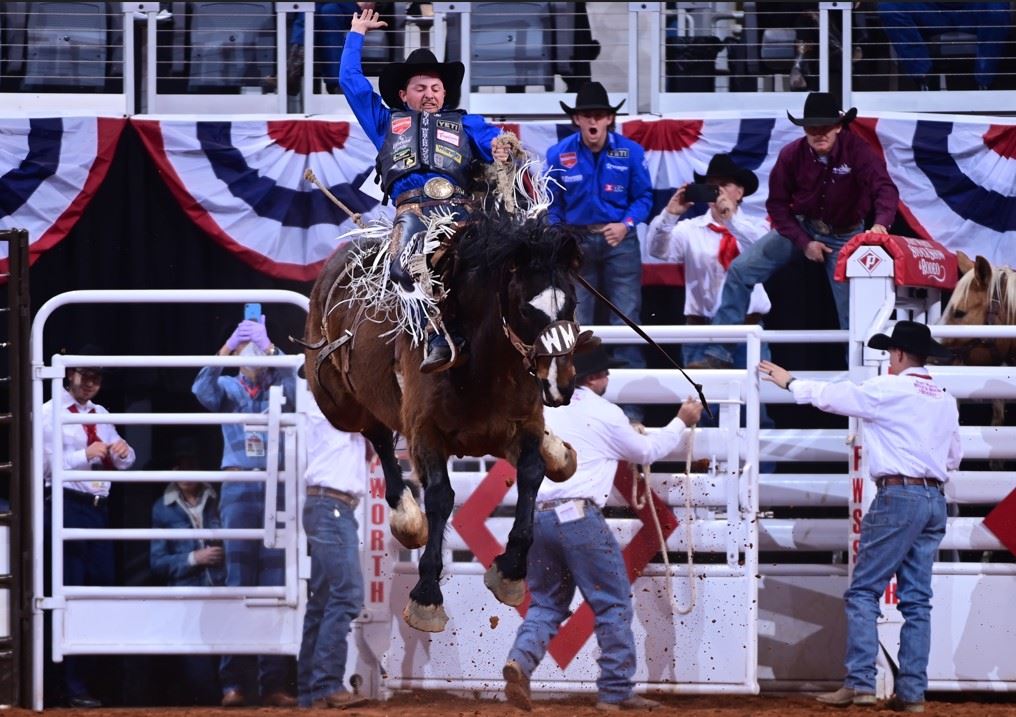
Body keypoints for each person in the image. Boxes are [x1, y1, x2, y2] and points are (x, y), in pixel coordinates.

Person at [758, 320, 961, 713]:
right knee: (917, 600)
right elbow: (953, 457)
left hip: (898, 495)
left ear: (899, 355)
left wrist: (790, 381)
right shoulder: (943, 397)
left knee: (865, 590)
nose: (888, 361)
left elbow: (835, 397)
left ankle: (861, 683)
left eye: (889, 354)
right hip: (933, 498)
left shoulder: (890, 388)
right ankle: (912, 693)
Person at [502, 341, 703, 712]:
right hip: (577, 516)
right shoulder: (605, 413)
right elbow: (645, 453)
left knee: (546, 603)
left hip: (535, 517)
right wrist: (682, 421)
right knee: (611, 603)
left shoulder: (542, 406)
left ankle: (520, 660)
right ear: (597, 378)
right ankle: (615, 690)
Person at [339, 7, 515, 373]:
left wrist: (502, 146)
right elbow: (352, 83)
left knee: (502, 265)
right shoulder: (385, 122)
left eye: (436, 88)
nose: (430, 94)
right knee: (401, 268)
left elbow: (494, 141)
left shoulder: (466, 123)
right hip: (413, 213)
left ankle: (511, 335)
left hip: (461, 213)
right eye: (421, 88)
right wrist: (356, 35)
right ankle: (434, 336)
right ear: (404, 94)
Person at [703, 92, 899, 368]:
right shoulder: (791, 155)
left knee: (852, 310)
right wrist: (804, 242)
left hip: (846, 233)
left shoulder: (859, 151)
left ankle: (861, 373)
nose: (819, 133)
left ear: (839, 126)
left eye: (825, 126)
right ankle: (719, 353)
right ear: (804, 129)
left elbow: (884, 188)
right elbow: (778, 205)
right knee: (740, 270)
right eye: (812, 127)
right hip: (802, 224)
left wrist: (881, 225)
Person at [192, 316, 297, 708]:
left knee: (273, 584)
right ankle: (232, 683)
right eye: (247, 349)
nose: (252, 355)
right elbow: (200, 388)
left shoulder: (277, 386)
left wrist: (272, 351)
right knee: (237, 582)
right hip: (238, 487)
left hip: (276, 488)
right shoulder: (228, 387)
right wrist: (224, 350)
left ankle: (273, 683)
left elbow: (297, 387)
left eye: (258, 349)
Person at [41, 349, 136, 708]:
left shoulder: (102, 414)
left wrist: (123, 453)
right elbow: (45, 468)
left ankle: (91, 682)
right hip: (67, 505)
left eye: (97, 377)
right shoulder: (50, 413)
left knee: (100, 592)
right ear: (69, 375)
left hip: (98, 508)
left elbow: (124, 462)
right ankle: (69, 685)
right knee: (70, 592)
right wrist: (87, 454)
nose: (92, 383)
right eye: (85, 376)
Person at [547, 82, 653, 380]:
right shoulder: (558, 154)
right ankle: (580, 396)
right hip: (576, 241)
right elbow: (552, 204)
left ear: (609, 119)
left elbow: (644, 197)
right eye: (586, 115)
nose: (593, 121)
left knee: (626, 315)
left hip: (619, 238)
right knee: (578, 320)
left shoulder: (630, 152)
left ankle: (631, 404)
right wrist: (560, 236)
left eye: (599, 115)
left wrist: (625, 224)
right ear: (576, 120)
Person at [646, 153, 771, 369]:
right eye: (711, 185)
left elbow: (761, 250)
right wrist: (669, 214)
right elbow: (656, 251)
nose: (717, 191)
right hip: (702, 331)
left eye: (724, 185)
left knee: (753, 401)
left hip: (747, 329)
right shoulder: (689, 229)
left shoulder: (758, 226)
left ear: (739, 192)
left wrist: (730, 219)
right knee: (701, 401)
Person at [297, 397, 370, 709]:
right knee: (347, 594)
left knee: (324, 599)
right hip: (332, 509)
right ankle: (326, 683)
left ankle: (310, 689)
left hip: (331, 507)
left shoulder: (338, 411)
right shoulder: (329, 405)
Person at [150, 478, 225, 705]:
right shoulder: (162, 507)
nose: (183, 472)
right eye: (177, 466)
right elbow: (157, 563)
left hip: (222, 585)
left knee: (230, 649)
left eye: (187, 463)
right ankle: (208, 706)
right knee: (195, 655)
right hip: (186, 589)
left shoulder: (219, 500)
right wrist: (194, 558)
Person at [876, 2, 1011, 91]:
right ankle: (923, 79)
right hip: (930, 10)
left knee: (997, 8)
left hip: (973, 9)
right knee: (889, 6)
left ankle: (985, 83)